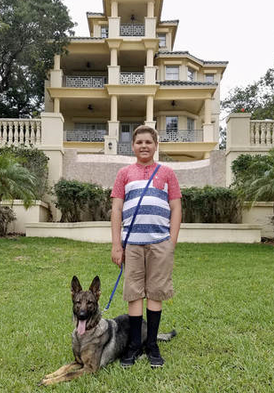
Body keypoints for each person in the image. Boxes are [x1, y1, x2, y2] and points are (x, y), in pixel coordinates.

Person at [110, 125, 182, 368]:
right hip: (132, 245)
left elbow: (176, 208)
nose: (143, 146)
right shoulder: (124, 174)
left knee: (155, 292)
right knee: (134, 293)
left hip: (160, 244)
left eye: (148, 142)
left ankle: (152, 344)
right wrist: (116, 245)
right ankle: (133, 346)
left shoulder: (167, 173)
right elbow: (117, 210)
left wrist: (171, 241)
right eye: (139, 142)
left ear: (156, 145)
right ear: (132, 146)